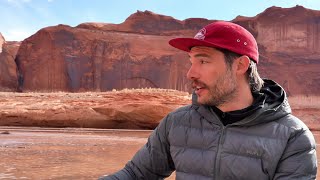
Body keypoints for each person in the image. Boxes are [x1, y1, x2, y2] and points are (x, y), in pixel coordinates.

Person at [99, 21, 317, 179]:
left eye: (203, 61)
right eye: (191, 61)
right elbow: (136, 174)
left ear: (240, 65)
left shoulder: (293, 137)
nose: (190, 73)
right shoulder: (177, 123)